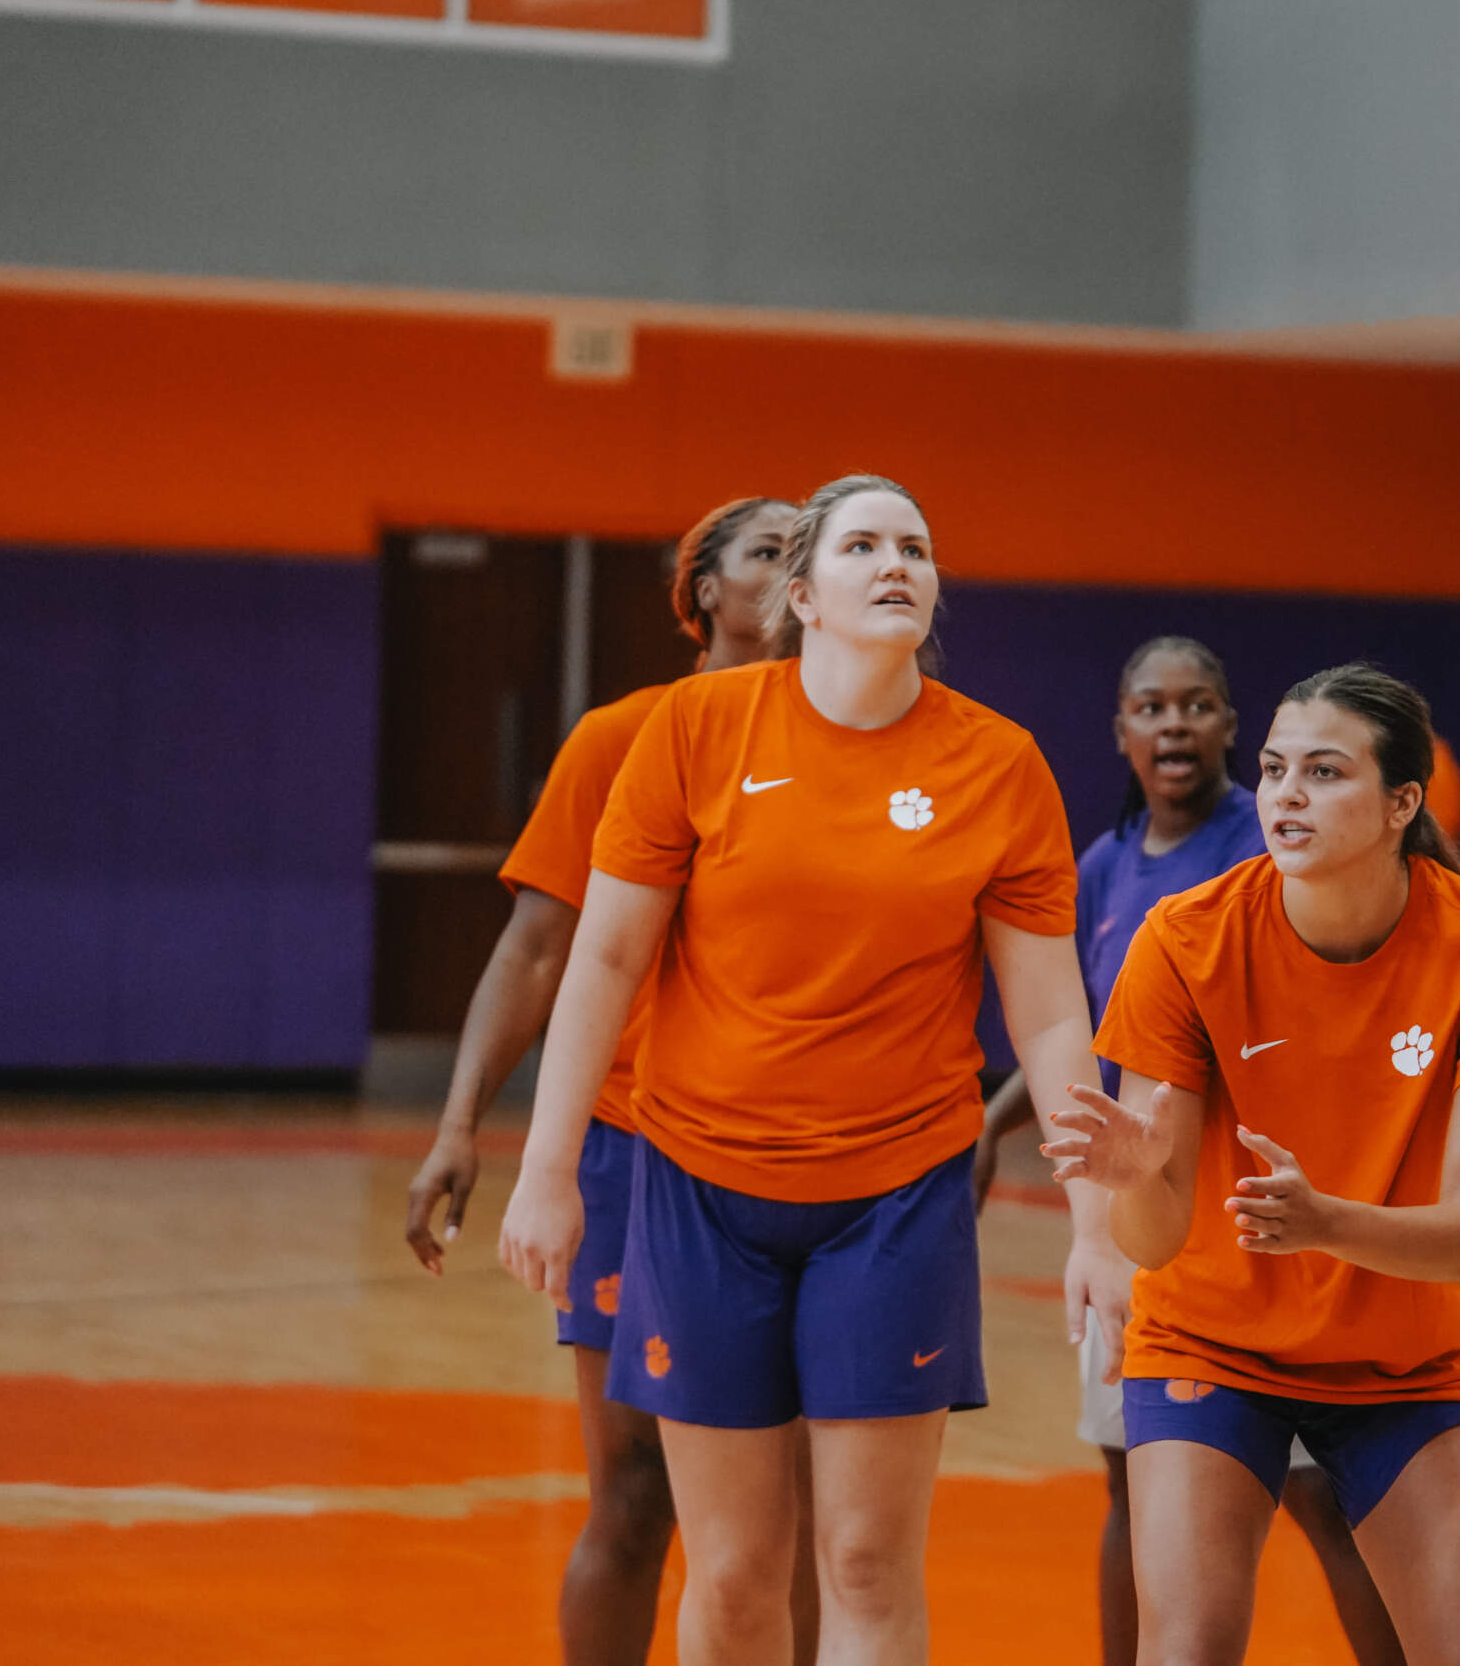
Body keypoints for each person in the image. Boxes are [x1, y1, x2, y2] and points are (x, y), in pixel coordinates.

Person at [496, 474, 1132, 1666]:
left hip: (897, 1198)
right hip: (699, 1190)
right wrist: (546, 1169)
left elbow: (1051, 1015)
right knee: (734, 1570)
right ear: (802, 595)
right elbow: (606, 957)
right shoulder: (695, 730)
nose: (896, 563)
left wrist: (1096, 1223)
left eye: (916, 547)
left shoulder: (997, 763)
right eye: (863, 545)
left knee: (866, 1559)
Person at [1047, 663, 1460, 1666]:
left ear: (1402, 803)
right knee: (1188, 1646)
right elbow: (1153, 1243)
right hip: (1212, 1343)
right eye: (1277, 768)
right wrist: (1139, 1177)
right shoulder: (1185, 939)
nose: (1286, 793)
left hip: (1406, 1364)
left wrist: (1323, 1221)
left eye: (1325, 771)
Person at [400, 496, 820, 1666]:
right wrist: (458, 1124)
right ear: (703, 595)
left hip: (796, 1152)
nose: (792, 567)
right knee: (635, 1489)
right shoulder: (622, 736)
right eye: (766, 549)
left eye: (807, 549)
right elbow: (536, 946)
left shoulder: (857, 746)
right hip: (635, 1143)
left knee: (789, 1504)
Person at [973, 637, 1403, 1666]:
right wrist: (992, 1122)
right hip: (1138, 1209)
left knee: (1316, 1488)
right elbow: (1082, 1036)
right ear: (1122, 731)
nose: (1174, 723)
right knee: (1132, 1474)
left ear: (1230, 729)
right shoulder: (1103, 867)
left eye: (1197, 704)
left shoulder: (1264, 844)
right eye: (1153, 707)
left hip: (1255, 1209)